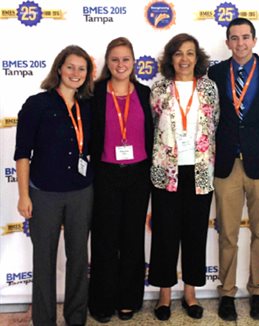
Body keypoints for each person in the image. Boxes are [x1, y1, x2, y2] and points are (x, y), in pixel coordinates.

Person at [14, 45, 94, 326]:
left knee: (78, 260)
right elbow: (22, 153)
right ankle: (44, 321)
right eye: (70, 67)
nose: (75, 73)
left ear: (87, 73)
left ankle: (75, 319)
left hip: (81, 193)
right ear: (59, 68)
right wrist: (24, 195)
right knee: (44, 261)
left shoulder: (88, 105)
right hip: (44, 194)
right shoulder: (37, 104)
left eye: (81, 68)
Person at [207, 17, 259, 321]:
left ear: (254, 40)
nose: (240, 43)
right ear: (227, 42)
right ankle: (227, 293)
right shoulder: (215, 72)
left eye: (245, 37)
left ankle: (258, 291)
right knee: (228, 234)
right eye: (234, 38)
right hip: (227, 164)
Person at [148, 33, 219, 321]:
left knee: (195, 233)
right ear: (170, 58)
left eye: (190, 53)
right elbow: (154, 125)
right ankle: (164, 295)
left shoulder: (209, 88)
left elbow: (214, 123)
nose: (184, 59)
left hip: (200, 172)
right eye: (178, 53)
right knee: (165, 234)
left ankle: (190, 293)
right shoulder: (160, 88)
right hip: (167, 172)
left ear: (197, 57)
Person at [88, 37, 153, 323]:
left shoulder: (144, 92)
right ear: (107, 62)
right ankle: (102, 301)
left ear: (134, 62)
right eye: (114, 59)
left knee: (132, 240)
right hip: (106, 175)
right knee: (104, 239)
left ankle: (128, 299)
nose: (120, 64)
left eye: (126, 59)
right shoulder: (95, 93)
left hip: (138, 174)